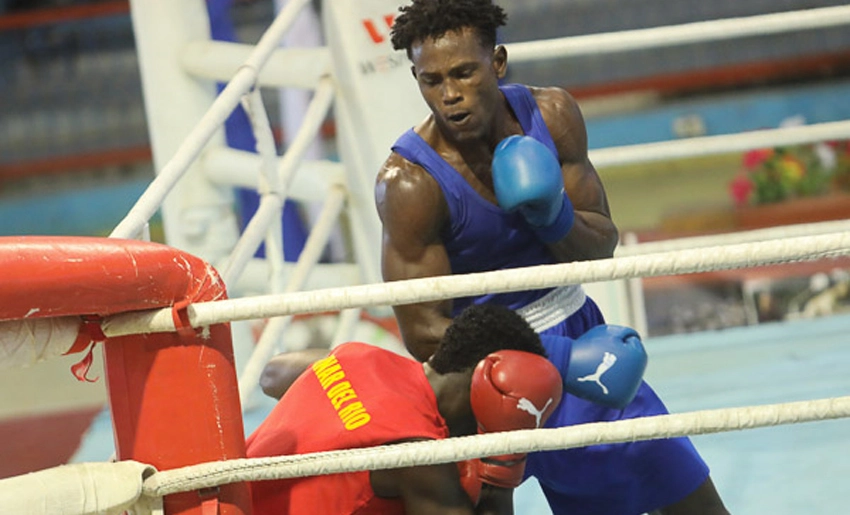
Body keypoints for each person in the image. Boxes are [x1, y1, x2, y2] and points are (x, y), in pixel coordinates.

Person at [374, 1, 730, 514]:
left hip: (575, 326)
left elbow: (601, 241)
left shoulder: (552, 114)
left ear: (496, 62)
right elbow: (421, 331)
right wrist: (555, 360)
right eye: (431, 81)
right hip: (479, 374)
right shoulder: (410, 182)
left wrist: (553, 216)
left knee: (694, 502)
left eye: (463, 73)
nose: (449, 96)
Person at [246, 303, 564, 515]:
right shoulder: (418, 451)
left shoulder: (357, 356)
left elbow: (271, 375)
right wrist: (503, 464)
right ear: (489, 378)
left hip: (219, 499)